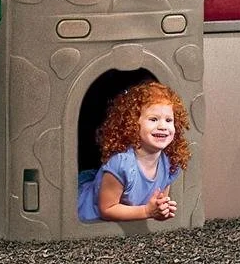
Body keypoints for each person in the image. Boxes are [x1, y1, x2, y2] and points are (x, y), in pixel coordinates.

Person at [77, 81, 192, 223]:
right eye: (153, 119)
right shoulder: (121, 164)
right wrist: (146, 211)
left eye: (169, 120)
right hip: (89, 215)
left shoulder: (170, 164)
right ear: (133, 124)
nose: (163, 126)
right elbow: (107, 209)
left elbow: (156, 204)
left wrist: (160, 211)